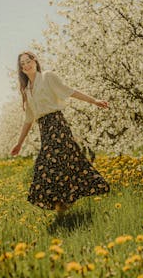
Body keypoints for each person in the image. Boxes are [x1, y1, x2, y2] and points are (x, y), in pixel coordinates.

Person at [10, 51, 110, 213]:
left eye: (28, 61)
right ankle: (62, 204)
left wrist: (94, 101)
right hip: (44, 129)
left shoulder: (47, 77)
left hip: (57, 125)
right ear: (21, 69)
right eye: (22, 64)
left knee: (50, 164)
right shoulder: (26, 90)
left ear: (35, 61)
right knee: (55, 165)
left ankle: (63, 205)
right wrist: (19, 143)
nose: (26, 65)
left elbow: (69, 91)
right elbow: (28, 119)